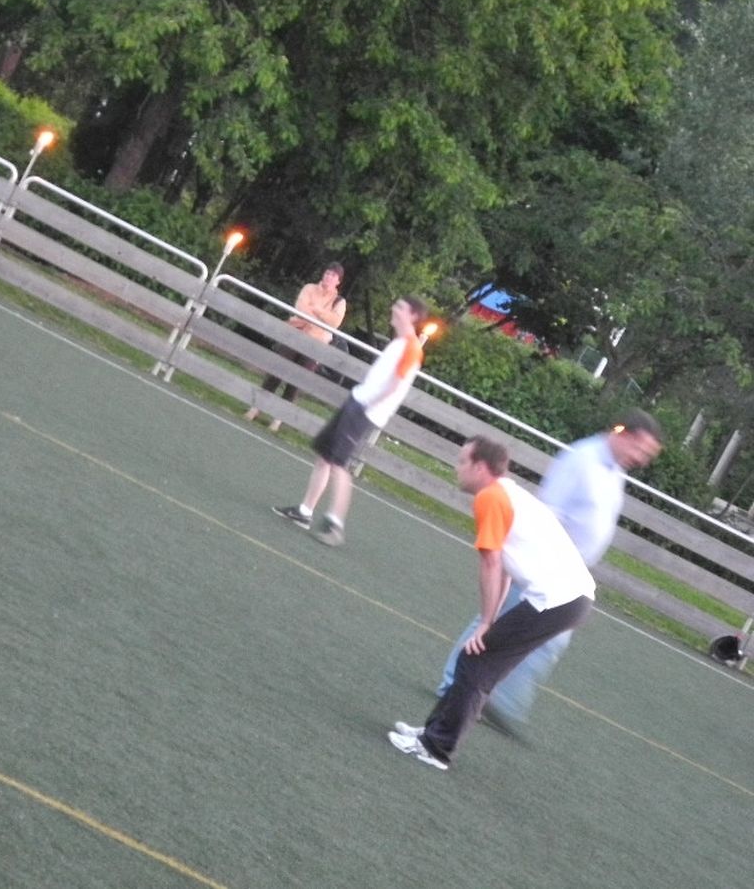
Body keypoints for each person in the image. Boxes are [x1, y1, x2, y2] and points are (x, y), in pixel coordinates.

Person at [434, 410, 663, 728]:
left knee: (541, 641)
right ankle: (455, 687)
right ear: (624, 434)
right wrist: (539, 556)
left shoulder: (614, 472)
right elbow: (549, 509)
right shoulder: (583, 459)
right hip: (543, 566)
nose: (641, 458)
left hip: (567, 577)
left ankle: (492, 699)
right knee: (494, 623)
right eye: (640, 448)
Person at [387, 436, 596, 771]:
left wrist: (486, 623)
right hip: (569, 599)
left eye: (462, 462)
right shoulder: (506, 493)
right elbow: (506, 569)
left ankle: (437, 749)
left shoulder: (490, 498)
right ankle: (433, 733)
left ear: (480, 467)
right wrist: (492, 618)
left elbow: (491, 563)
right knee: (478, 662)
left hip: (558, 600)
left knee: (476, 662)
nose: (457, 468)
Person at [272, 296, 428, 546]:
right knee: (325, 457)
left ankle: (335, 522)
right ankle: (305, 511)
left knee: (338, 463)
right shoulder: (399, 343)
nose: (394, 309)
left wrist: (368, 404)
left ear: (412, 316)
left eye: (400, 307)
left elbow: (395, 385)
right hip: (358, 402)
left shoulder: (410, 347)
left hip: (365, 410)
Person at [244, 263, 347, 433]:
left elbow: (334, 322)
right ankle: (256, 408)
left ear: (338, 281)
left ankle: (278, 419)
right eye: (327, 273)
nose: (329, 277)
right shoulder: (309, 288)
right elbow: (301, 309)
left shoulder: (339, 302)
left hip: (316, 344)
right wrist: (319, 317)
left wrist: (316, 310)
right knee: (276, 372)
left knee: (296, 382)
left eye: (333, 276)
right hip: (295, 335)